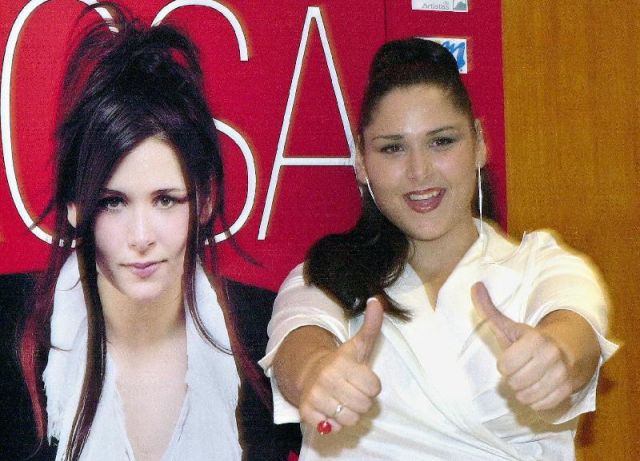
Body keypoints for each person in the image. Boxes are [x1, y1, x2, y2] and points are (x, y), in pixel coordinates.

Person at [259, 38, 618, 460]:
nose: (419, 171)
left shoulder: (543, 267)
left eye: (442, 141)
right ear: (361, 160)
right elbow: (298, 343)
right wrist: (316, 373)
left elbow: (576, 332)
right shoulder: (325, 275)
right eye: (392, 148)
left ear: (479, 142)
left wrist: (557, 357)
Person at [19, 4, 241, 460]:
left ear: (205, 200)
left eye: (166, 200)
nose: (141, 236)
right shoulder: (15, 349)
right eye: (113, 202)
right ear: (76, 207)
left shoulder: (259, 338)